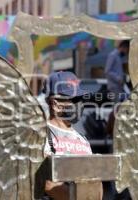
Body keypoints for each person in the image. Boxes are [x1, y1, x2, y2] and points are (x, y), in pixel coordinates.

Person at [41, 71, 103, 200]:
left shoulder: (82, 140)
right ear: (55, 104)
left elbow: (95, 183)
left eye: (80, 99)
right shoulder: (40, 136)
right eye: (74, 99)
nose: (79, 104)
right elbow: (47, 184)